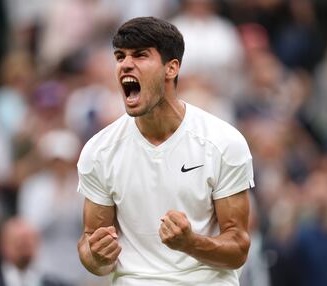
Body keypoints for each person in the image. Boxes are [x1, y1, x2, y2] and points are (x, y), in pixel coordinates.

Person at [76, 16, 254, 286]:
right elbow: (93, 252)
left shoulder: (223, 142)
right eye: (120, 56)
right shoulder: (98, 151)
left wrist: (190, 243)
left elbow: (238, 250)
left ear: (171, 68)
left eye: (140, 55)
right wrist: (97, 256)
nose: (125, 64)